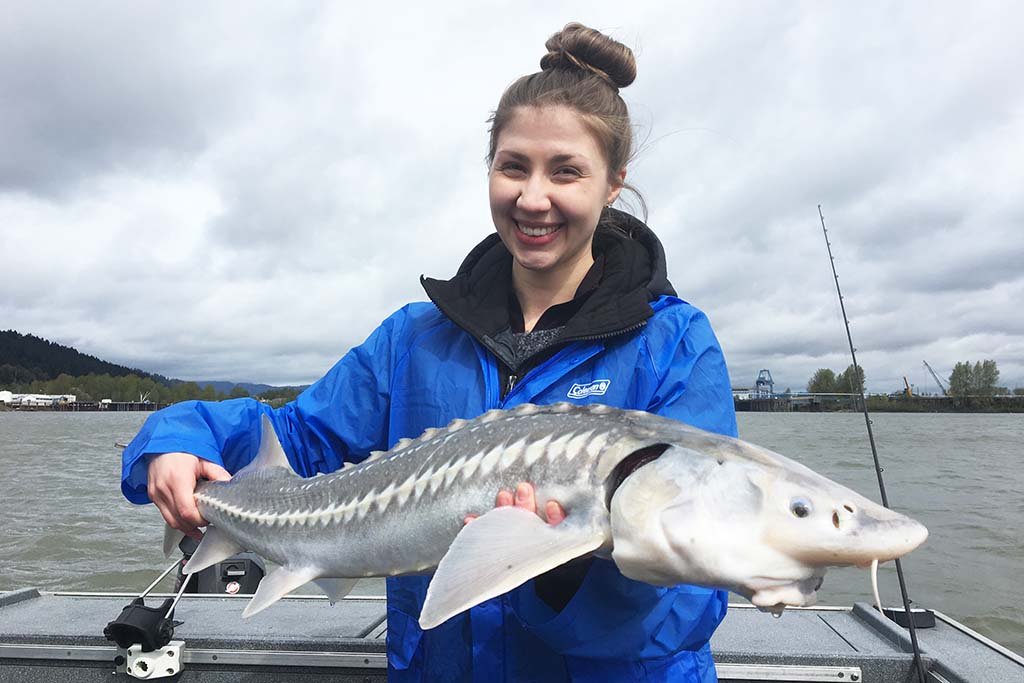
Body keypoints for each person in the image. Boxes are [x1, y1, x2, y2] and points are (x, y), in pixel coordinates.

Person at [121, 22, 737, 682]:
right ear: (490, 168)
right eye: (513, 166)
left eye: (566, 171)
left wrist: (559, 576)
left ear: (613, 183)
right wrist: (178, 436)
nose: (533, 198)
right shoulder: (413, 340)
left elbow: (692, 599)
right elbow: (294, 439)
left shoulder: (672, 346)